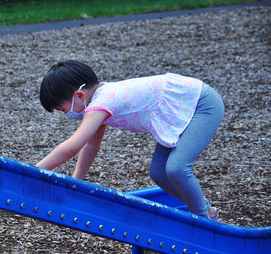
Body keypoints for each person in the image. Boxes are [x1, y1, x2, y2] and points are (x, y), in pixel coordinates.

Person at [36, 60, 224, 220]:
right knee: (159, 172)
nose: (66, 114)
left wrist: (34, 171)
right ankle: (205, 209)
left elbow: (72, 146)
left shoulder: (102, 102)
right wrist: (76, 182)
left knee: (176, 168)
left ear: (79, 95)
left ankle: (204, 219)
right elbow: (91, 145)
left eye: (62, 109)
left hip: (200, 104)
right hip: (177, 110)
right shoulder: (99, 100)